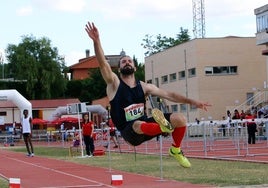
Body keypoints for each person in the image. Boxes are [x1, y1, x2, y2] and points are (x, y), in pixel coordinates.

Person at [85, 22, 211, 168]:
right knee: (138, 124)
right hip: (130, 132)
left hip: (148, 126)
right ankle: (164, 127)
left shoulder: (144, 86)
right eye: (123, 62)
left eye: (129, 61)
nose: (127, 63)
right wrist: (96, 41)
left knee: (180, 119)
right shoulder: (114, 84)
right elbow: (103, 65)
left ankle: (175, 149)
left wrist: (193, 101)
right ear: (119, 69)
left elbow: (169, 94)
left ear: (134, 66)